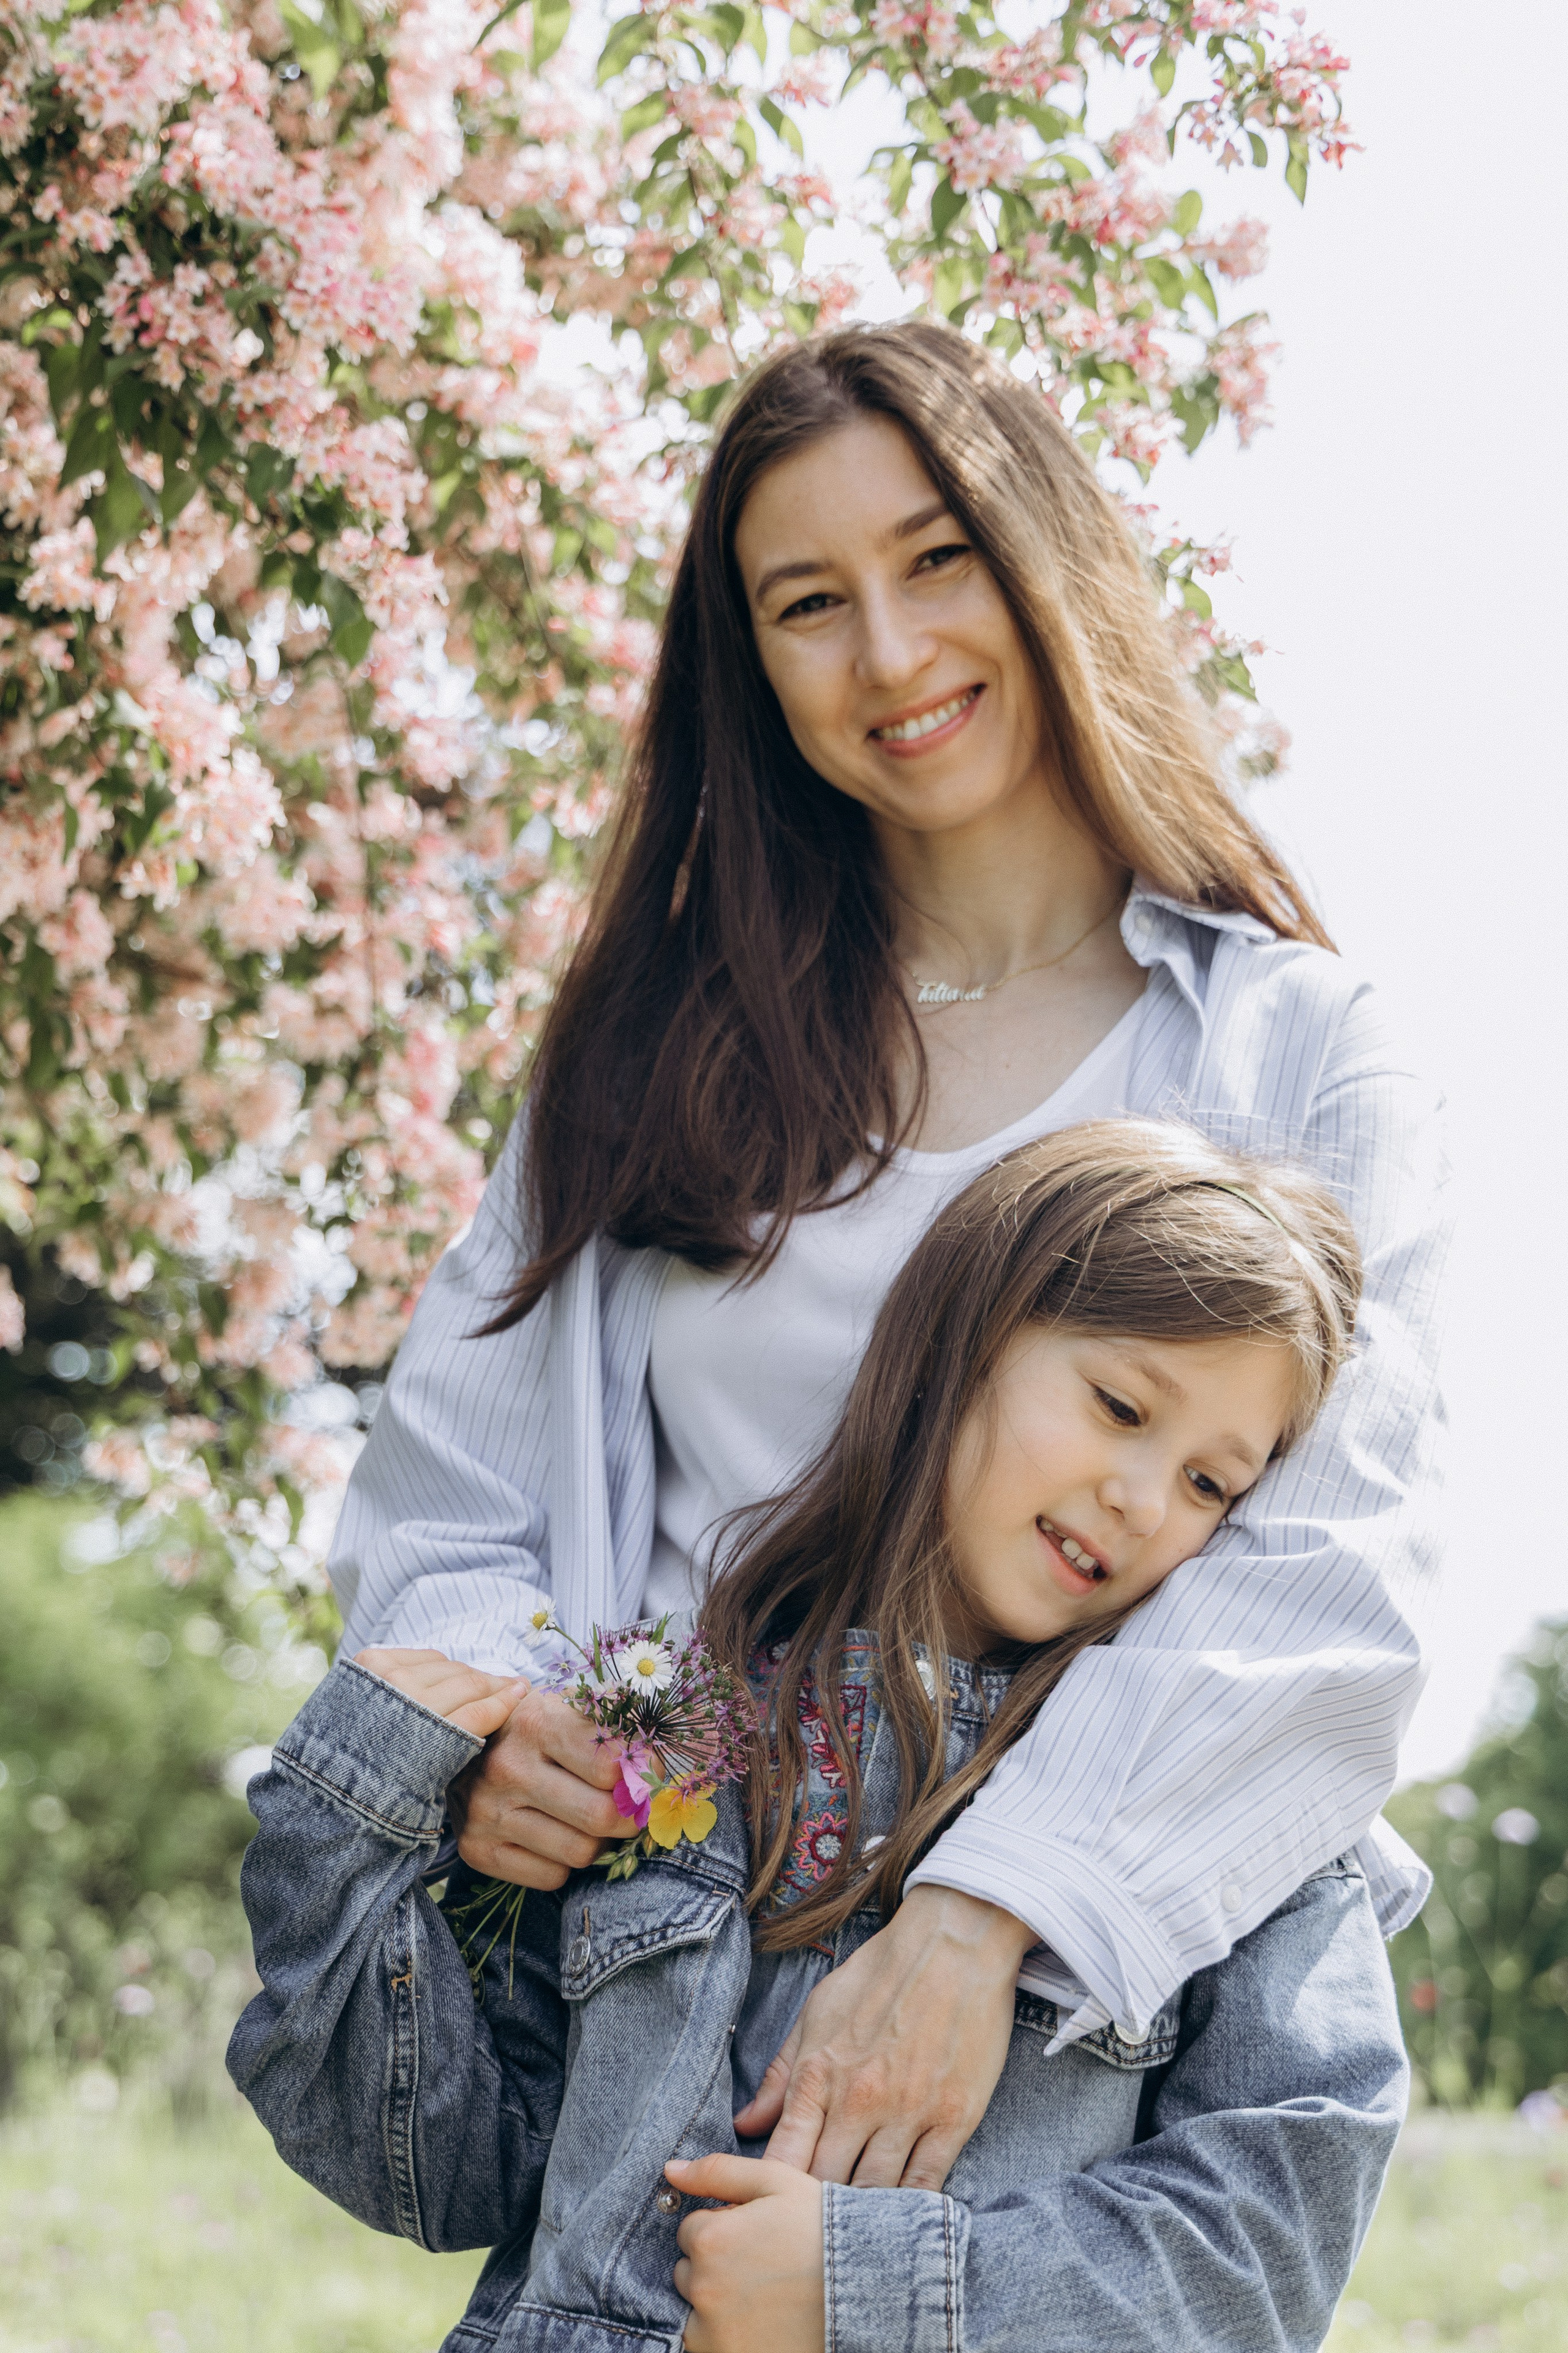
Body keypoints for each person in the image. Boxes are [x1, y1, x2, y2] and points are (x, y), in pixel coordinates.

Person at [326, 319, 1446, 2188]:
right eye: (808, 603)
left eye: (939, 560)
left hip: (1079, 2042)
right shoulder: (654, 1055)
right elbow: (450, 1498)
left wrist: (983, 1913)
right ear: (750, 664)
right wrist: (512, 1716)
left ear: (1043, 558)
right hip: (658, 1988)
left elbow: (1327, 1572)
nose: (894, 652)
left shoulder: (1296, 1053)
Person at [232, 1121, 1404, 2353]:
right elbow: (440, 2171)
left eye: (1212, 1483)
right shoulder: (677, 1725)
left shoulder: (1229, 1814)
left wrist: (877, 2290)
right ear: (965, 1344)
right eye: (1120, 1406)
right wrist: (352, 1804)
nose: (1144, 1499)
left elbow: (1275, 2237)